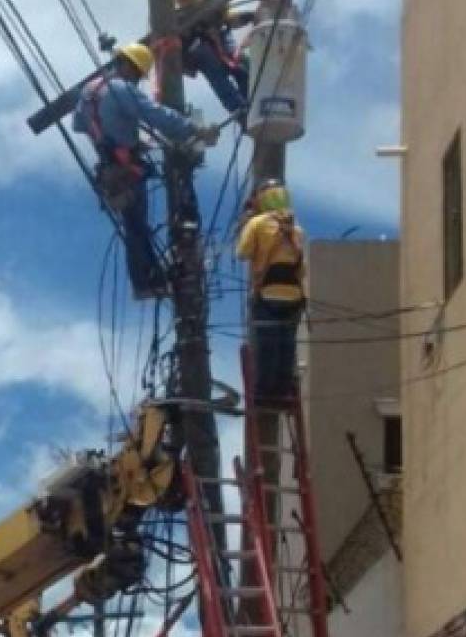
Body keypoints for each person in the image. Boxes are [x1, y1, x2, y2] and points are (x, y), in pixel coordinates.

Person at [73, 43, 219, 299]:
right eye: (138, 74)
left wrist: (116, 133)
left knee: (133, 226)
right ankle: (147, 281)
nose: (137, 80)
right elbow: (156, 115)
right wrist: (194, 130)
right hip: (125, 169)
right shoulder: (121, 89)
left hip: (109, 168)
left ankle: (147, 280)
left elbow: (79, 125)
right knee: (138, 227)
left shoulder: (88, 90)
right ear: (128, 66)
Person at [236, 180, 306, 404]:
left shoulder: (257, 223)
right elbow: (301, 267)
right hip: (294, 295)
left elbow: (242, 253)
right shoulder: (295, 229)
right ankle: (283, 392)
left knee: (267, 345)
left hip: (268, 294)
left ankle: (265, 393)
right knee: (287, 345)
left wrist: (247, 223)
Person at [172, 0, 251, 118]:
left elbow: (225, 14)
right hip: (191, 37)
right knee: (213, 67)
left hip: (216, 32)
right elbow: (167, 6)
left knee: (244, 64)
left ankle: (254, 105)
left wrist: (245, 17)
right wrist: (190, 14)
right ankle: (240, 113)